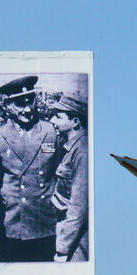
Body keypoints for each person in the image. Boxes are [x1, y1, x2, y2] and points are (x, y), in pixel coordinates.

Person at [0, 76, 60, 262]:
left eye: (30, 102)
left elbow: (62, 173)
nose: (27, 109)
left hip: (44, 221)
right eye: (20, 104)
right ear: (8, 106)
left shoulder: (51, 131)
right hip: (12, 222)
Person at [48, 91, 89, 262]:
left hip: (76, 238)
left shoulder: (82, 152)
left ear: (75, 122)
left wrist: (62, 249)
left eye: (58, 117)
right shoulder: (71, 147)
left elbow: (79, 206)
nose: (52, 121)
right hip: (67, 229)